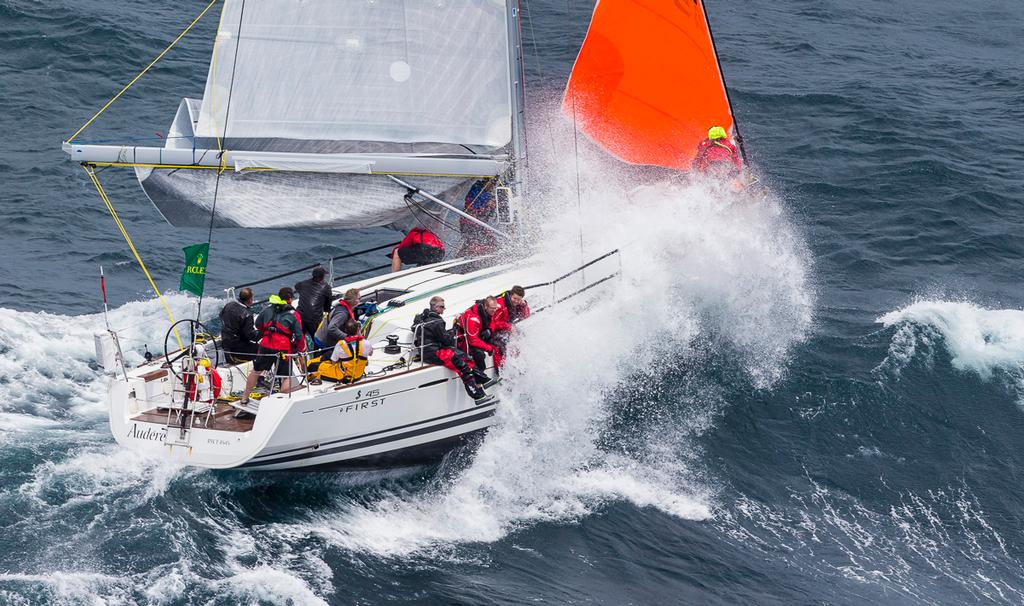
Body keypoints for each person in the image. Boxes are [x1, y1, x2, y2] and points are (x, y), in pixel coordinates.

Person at [413, 296, 490, 400]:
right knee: (462, 367)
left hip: (430, 350)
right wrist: (453, 332)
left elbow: (417, 329)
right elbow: (446, 340)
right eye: (442, 307)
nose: (444, 309)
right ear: (436, 308)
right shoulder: (437, 322)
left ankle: (483, 380)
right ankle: (477, 396)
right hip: (433, 352)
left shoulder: (422, 317)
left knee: (465, 358)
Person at [240, 287, 303, 406]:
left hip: (266, 345)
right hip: (283, 349)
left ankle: (244, 397)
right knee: (286, 376)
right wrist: (299, 349)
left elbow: (258, 324)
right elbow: (299, 336)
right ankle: (281, 404)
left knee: (256, 371)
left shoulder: (267, 309)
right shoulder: (294, 314)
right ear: (290, 299)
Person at [317, 319, 372, 383]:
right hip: (358, 375)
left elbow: (333, 362)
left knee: (320, 366)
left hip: (344, 376)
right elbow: (370, 353)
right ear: (358, 330)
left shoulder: (340, 344)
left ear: (345, 331)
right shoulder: (367, 343)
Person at [456, 296, 502, 372]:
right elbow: (473, 340)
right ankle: (479, 379)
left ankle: (500, 370)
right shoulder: (473, 318)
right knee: (479, 355)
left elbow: (493, 322)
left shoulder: (489, 312)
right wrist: (488, 348)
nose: (494, 310)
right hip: (464, 342)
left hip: (478, 337)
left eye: (495, 308)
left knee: (498, 345)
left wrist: (490, 330)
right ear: (486, 306)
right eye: (492, 308)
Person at [489, 285, 530, 366]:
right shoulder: (500, 305)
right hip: (493, 330)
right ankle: (501, 368)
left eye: (519, 299)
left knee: (522, 335)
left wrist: (524, 305)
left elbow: (525, 316)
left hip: (505, 327)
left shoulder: (518, 304)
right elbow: (492, 323)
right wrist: (509, 327)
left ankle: (519, 361)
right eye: (514, 298)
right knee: (503, 343)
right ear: (510, 295)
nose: (516, 301)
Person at [458, 178, 499, 256]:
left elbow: (490, 209)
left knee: (490, 241)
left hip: (479, 224)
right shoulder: (477, 190)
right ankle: (467, 255)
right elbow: (475, 202)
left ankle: (475, 255)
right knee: (473, 243)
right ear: (487, 182)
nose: (493, 186)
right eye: (492, 183)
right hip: (470, 222)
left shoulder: (487, 193)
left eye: (494, 184)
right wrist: (489, 202)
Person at [219, 287, 259, 363]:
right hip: (237, 347)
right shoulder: (247, 314)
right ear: (250, 300)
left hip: (226, 342)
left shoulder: (229, 305)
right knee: (261, 349)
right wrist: (262, 333)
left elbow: (221, 315)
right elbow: (251, 336)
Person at [294, 266, 333, 339]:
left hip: (300, 315)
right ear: (323, 277)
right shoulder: (326, 287)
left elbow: (296, 286)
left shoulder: (303, 283)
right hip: (314, 319)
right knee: (316, 337)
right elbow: (327, 306)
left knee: (300, 337)